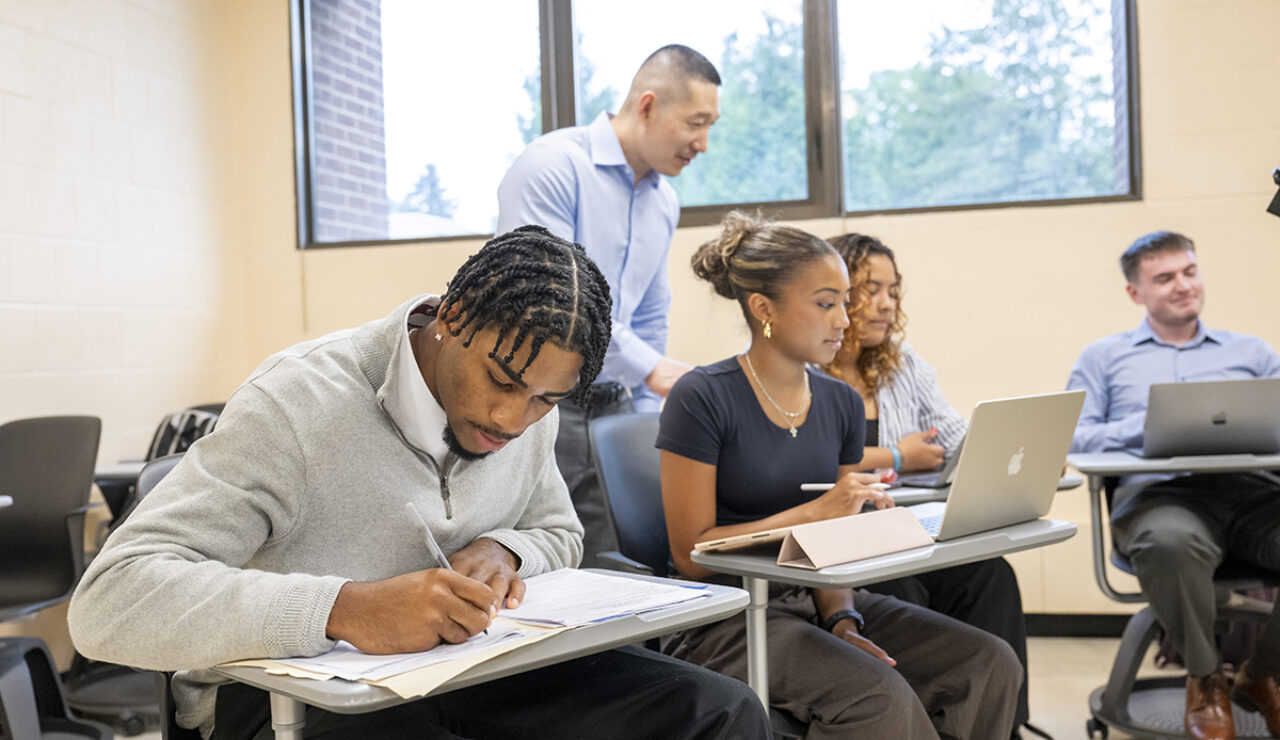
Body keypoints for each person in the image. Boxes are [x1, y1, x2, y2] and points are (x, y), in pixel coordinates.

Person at [67, 226, 770, 740]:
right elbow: (107, 602)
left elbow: (559, 531)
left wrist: (505, 551)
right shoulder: (297, 403)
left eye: (545, 401)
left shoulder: (533, 404)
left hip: (466, 671)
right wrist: (344, 608)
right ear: (451, 315)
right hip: (295, 701)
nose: (511, 419)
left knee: (722, 713)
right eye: (503, 381)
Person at [658, 211, 1022, 739]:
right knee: (880, 700)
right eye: (826, 304)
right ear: (764, 309)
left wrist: (842, 620)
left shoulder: (841, 403)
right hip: (726, 614)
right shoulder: (703, 396)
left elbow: (836, 545)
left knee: (989, 663)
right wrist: (813, 514)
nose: (844, 320)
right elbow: (691, 555)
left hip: (811, 597)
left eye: (844, 303)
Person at [497, 44, 721, 563]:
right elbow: (550, 301)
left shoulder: (663, 199)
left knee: (642, 555)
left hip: (618, 404)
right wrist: (655, 370)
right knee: (578, 561)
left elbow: (648, 313)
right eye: (696, 122)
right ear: (647, 106)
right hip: (547, 403)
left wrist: (648, 415)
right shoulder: (552, 166)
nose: (703, 143)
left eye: (712, 126)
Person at [821, 232, 1037, 738]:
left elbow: (957, 437)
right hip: (849, 534)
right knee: (899, 580)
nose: (885, 304)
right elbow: (814, 459)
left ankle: (1004, 724)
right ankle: (923, 718)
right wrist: (900, 455)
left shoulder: (903, 363)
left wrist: (1015, 453)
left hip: (909, 519)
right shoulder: (804, 364)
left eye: (893, 291)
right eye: (870, 289)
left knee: (990, 574)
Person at [1067, 230, 1280, 740]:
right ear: (1135, 293)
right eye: (1164, 278)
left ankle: (1261, 673)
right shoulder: (1104, 357)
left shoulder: (1251, 352)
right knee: (1170, 541)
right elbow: (1073, 435)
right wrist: (1146, 424)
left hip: (1253, 493)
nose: (1183, 285)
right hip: (1161, 499)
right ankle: (1205, 679)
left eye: (1189, 272)